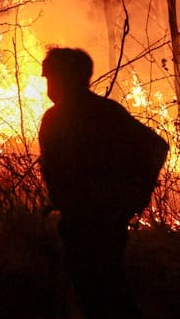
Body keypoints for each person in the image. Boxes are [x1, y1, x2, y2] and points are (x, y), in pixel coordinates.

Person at [39, 47, 169, 319]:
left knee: (101, 293)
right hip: (86, 219)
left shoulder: (79, 116)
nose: (48, 86)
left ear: (70, 78)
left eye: (51, 78)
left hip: (96, 220)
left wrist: (132, 198)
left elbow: (155, 147)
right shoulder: (98, 112)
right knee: (97, 291)